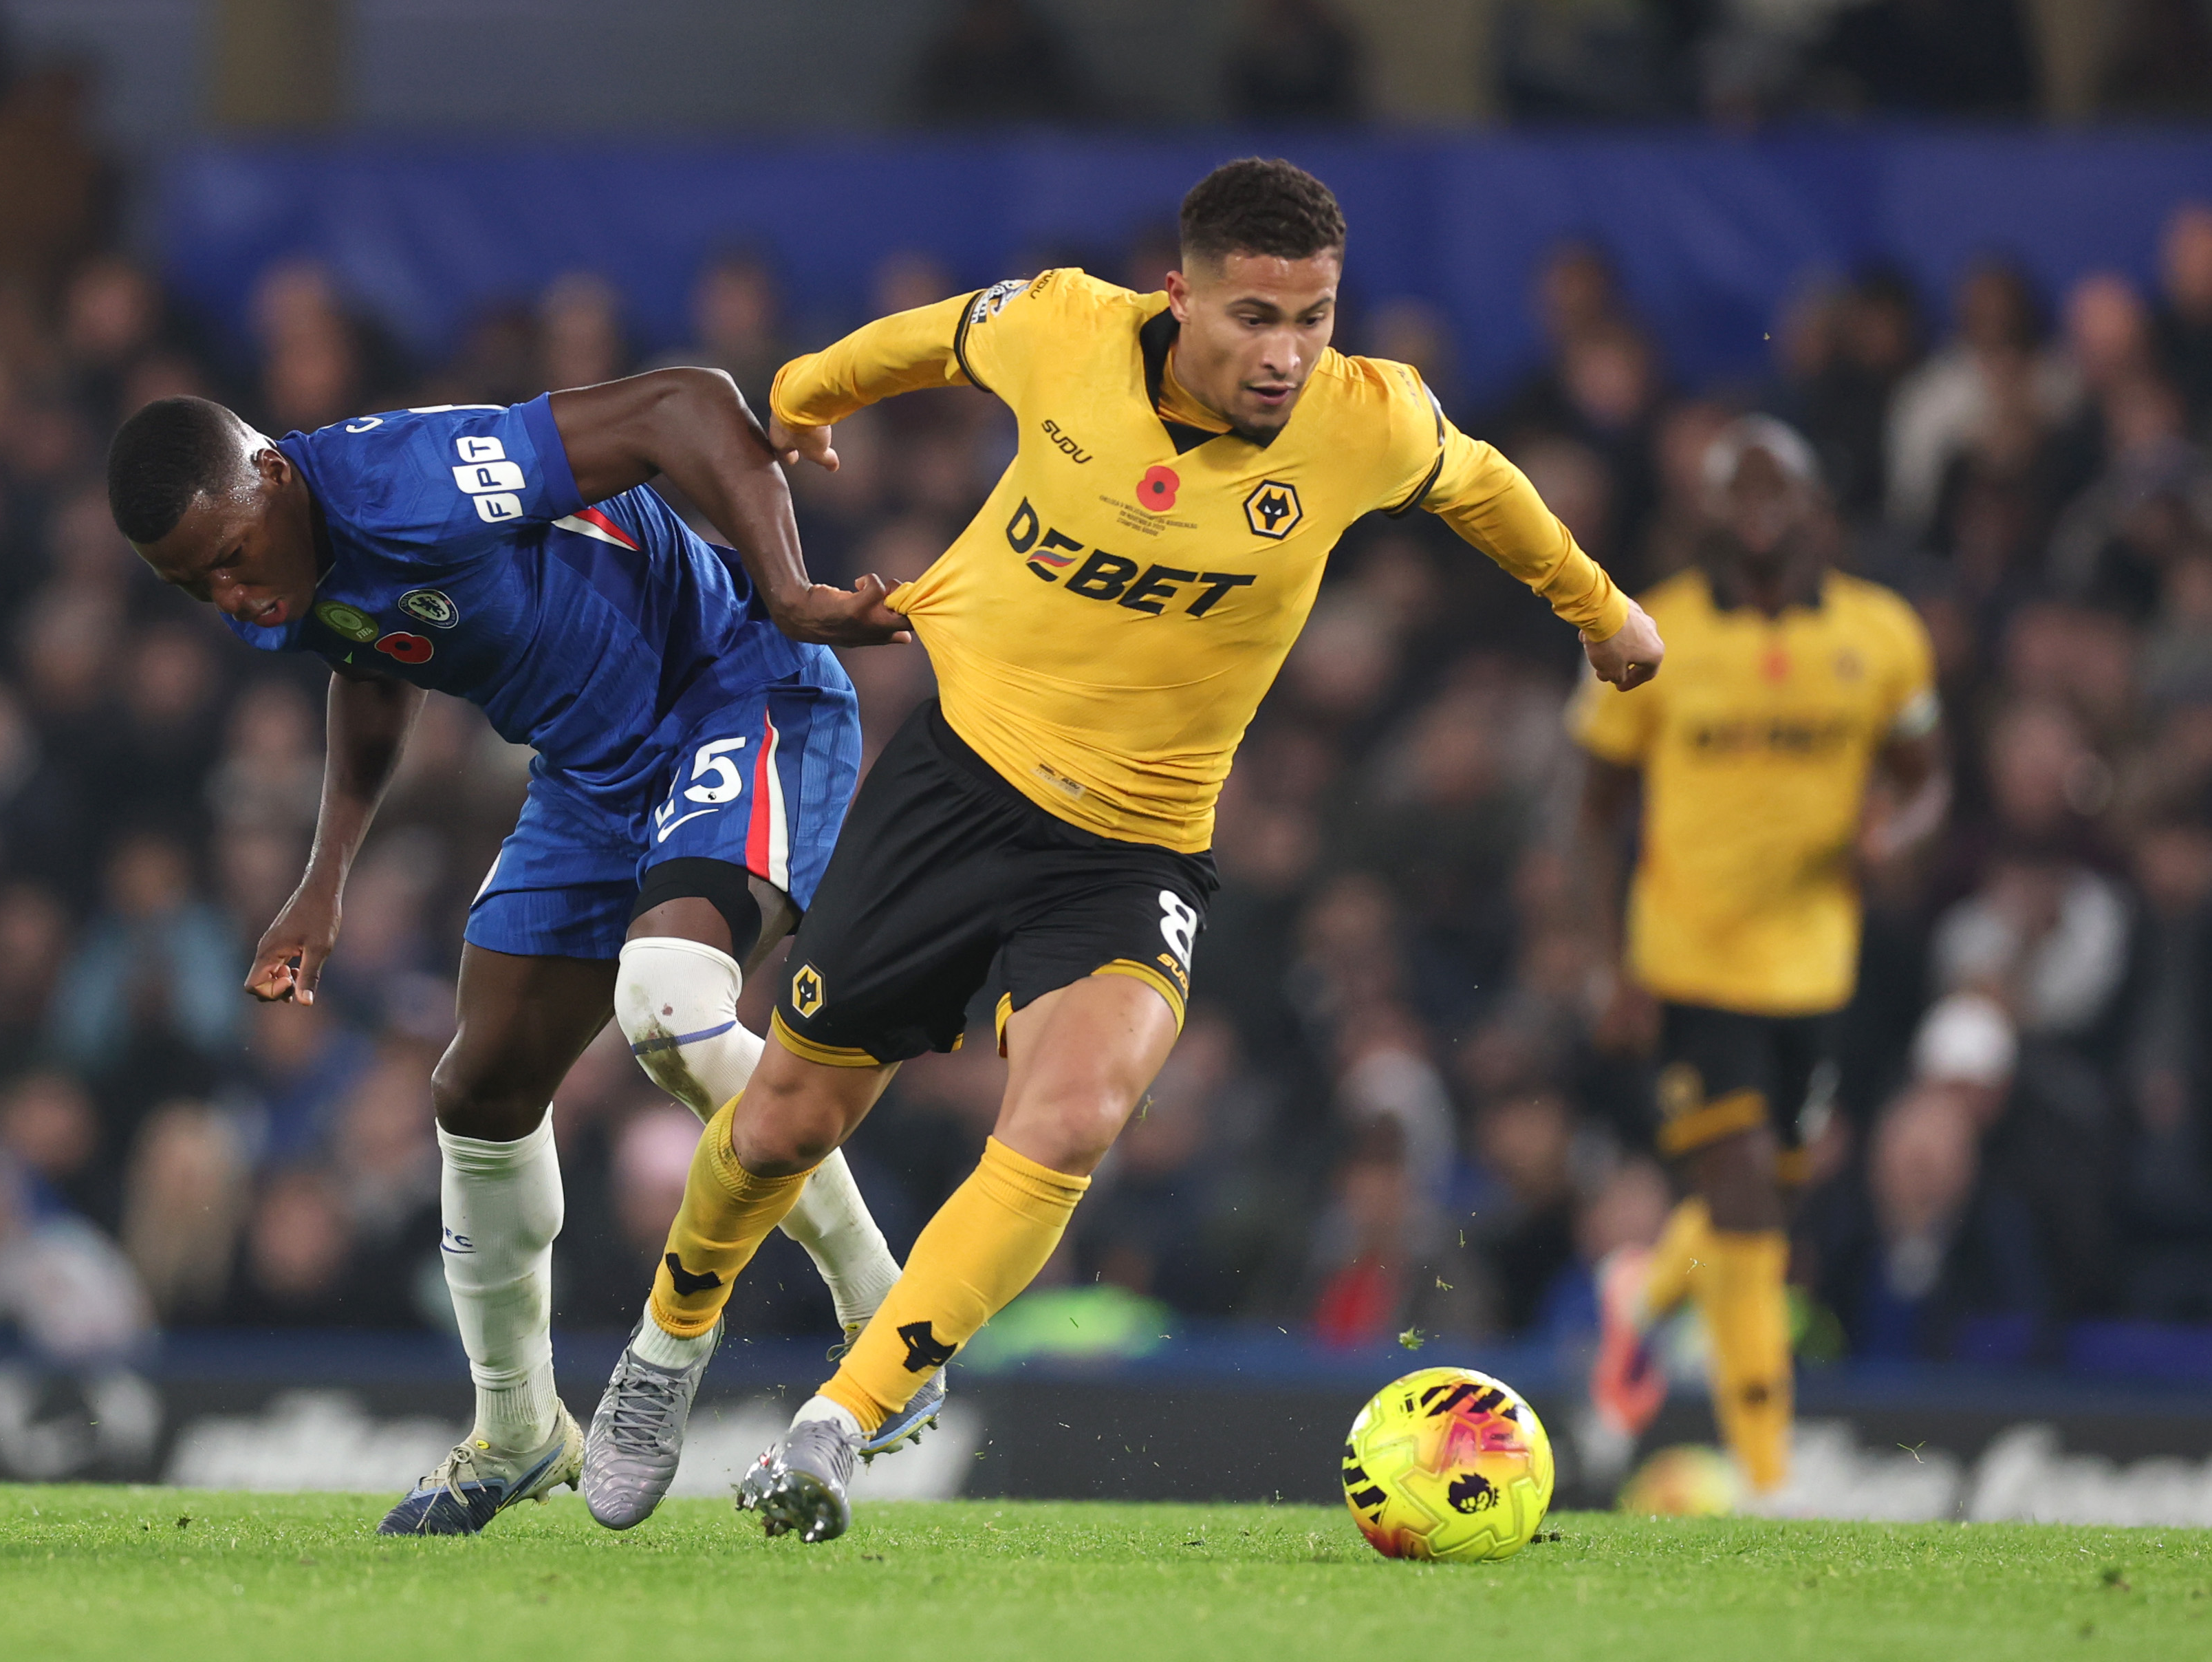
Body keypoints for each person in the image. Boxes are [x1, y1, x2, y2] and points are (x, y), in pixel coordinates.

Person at [583, 156, 1665, 1544]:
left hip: (1135, 848)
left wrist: (1599, 609)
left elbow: (1482, 484)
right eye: (1254, 316)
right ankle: (662, 1355)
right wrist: (801, 398)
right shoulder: (1066, 330)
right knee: (788, 1117)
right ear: (1180, 293)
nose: (1285, 352)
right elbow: (928, 338)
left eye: (1312, 317)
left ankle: (837, 1420)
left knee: (1074, 1114)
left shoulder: (1362, 418)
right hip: (952, 786)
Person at [103, 368, 927, 1537]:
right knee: (477, 1093)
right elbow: (371, 650)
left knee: (668, 998)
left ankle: (886, 1316)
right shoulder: (274, 572)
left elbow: (684, 405)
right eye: (194, 584)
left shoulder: (411, 479)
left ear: (274, 474)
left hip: (736, 694)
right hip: (591, 777)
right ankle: (519, 1430)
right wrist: (323, 876)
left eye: (230, 553)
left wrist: (789, 592)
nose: (230, 592)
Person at [1571, 414, 1947, 1500]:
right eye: (1733, 488)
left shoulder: (1881, 637)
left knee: (1768, 1199)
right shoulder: (1652, 634)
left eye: (1773, 486)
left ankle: (1643, 1294)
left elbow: (1927, 774)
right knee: (1741, 1196)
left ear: (1816, 506)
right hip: (1688, 959)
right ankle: (1767, 1477)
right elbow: (1592, 810)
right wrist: (1608, 962)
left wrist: (1902, 831)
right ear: (1706, 510)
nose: (1754, 508)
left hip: (1816, 965)